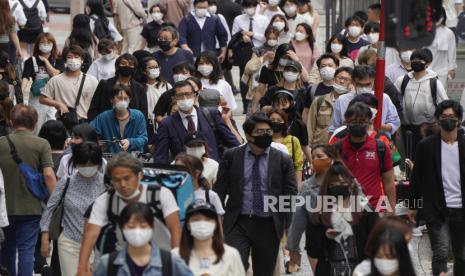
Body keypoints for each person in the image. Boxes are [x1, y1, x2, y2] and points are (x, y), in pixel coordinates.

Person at [214, 112, 297, 276]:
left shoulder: (282, 159)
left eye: (268, 132)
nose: (265, 135)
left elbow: (290, 193)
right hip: (238, 221)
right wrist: (218, 217)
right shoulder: (232, 156)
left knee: (264, 271)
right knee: (235, 267)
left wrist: (289, 225)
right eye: (260, 132)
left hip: (268, 224)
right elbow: (220, 189)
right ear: (248, 135)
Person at [76, 153, 181, 276]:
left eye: (127, 178)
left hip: (161, 261)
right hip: (127, 262)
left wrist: (176, 259)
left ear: (140, 175)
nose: (123, 185)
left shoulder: (160, 194)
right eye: (116, 180)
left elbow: (175, 228)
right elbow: (91, 234)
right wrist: (82, 267)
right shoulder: (105, 200)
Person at [409, 100, 465, 276]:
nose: (448, 120)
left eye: (452, 117)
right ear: (438, 119)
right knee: (440, 253)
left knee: (462, 255)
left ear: (460, 120)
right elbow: (416, 178)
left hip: (461, 209)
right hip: (436, 208)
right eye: (444, 117)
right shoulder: (426, 146)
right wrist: (413, 205)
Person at [0, 104, 56, 276]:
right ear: (34, 122)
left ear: (11, 121)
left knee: (8, 246)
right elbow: (48, 175)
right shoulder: (42, 144)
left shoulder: (1, 143)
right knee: (26, 249)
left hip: (4, 207)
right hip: (31, 206)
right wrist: (55, 199)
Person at [39, 142, 105, 276]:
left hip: (96, 246)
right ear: (76, 163)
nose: (87, 168)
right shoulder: (66, 182)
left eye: (91, 165)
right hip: (69, 243)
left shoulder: (105, 184)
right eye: (83, 165)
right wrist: (45, 236)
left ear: (99, 164)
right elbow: (50, 208)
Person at [309, 161, 375, 275]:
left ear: (350, 185)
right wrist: (324, 235)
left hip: (360, 270)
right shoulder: (320, 212)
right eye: (333, 185)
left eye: (342, 183)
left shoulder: (365, 210)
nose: (337, 187)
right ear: (327, 187)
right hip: (330, 269)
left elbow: (377, 242)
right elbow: (312, 249)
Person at [92, 202, 192, 275]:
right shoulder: (108, 263)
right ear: (122, 228)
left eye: (143, 226)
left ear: (152, 227)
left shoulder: (170, 261)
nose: (137, 230)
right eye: (131, 226)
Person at [154, 80, 239, 164]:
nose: (185, 98)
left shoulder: (211, 114)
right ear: (174, 98)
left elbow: (233, 143)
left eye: (188, 94)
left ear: (195, 96)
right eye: (180, 95)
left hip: (213, 171)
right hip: (184, 172)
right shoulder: (166, 124)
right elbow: (161, 157)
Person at [286, 145, 338, 273]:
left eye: (320, 157)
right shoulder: (306, 187)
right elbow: (298, 219)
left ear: (331, 159)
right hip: (316, 239)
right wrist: (293, 248)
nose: (315, 160)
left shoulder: (346, 181)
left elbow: (363, 208)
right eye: (313, 157)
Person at [337, 102, 396, 213]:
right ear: (346, 122)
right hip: (344, 210)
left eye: (362, 121)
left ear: (370, 122)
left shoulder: (381, 148)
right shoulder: (337, 148)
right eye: (354, 121)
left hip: (375, 209)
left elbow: (389, 182)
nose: (358, 124)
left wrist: (391, 210)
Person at [394, 48, 448, 159]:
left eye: (419, 59)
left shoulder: (435, 83)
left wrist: (438, 124)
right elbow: (393, 98)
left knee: (427, 157)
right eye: (413, 59)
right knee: (409, 156)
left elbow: (445, 105)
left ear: (428, 63)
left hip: (428, 127)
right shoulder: (403, 80)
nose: (415, 61)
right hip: (407, 127)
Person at [173, 200, 245, 275]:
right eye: (196, 220)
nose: (202, 224)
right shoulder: (175, 256)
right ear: (188, 225)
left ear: (216, 224)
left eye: (208, 219)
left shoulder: (231, 254)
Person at [39, 45, 99, 131]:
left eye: (76, 57)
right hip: (64, 123)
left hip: (85, 124)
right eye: (69, 57)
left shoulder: (92, 80)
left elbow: (96, 103)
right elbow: (42, 98)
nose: (73, 60)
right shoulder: (56, 80)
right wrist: (58, 104)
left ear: (82, 60)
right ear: (65, 60)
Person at [330, 65, 401, 137]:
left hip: (378, 142)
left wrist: (373, 125)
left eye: (367, 84)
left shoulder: (384, 98)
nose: (363, 88)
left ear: (373, 82)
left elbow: (395, 124)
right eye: (360, 85)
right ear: (353, 82)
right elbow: (334, 129)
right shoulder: (342, 100)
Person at [21, 32, 63, 134]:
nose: (45, 44)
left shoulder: (58, 60)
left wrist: (46, 61)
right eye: (42, 42)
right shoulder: (30, 61)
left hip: (53, 99)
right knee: (37, 125)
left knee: (52, 125)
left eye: (48, 42)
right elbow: (25, 77)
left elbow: (56, 74)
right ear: (38, 44)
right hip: (37, 99)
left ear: (53, 44)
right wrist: (22, 90)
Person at [87, 53, 148, 121]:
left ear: (134, 68)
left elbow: (143, 112)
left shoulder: (139, 88)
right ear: (117, 66)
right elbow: (94, 108)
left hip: (131, 127)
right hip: (105, 125)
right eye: (123, 63)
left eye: (130, 64)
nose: (127, 66)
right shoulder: (104, 84)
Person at [252, 43, 310, 113]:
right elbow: (260, 90)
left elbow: (306, 78)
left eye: (289, 58)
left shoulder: (293, 70)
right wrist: (254, 108)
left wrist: (297, 60)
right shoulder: (267, 69)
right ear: (278, 56)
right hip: (273, 101)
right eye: (284, 57)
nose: (286, 60)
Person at [90, 84, 148, 154]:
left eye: (126, 98)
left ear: (130, 100)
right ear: (111, 100)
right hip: (112, 159)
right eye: (120, 98)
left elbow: (143, 138)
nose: (123, 101)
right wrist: (98, 143)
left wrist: (130, 142)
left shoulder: (138, 116)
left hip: (133, 159)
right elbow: (89, 132)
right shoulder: (104, 117)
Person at [307, 67, 353, 147]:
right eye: (340, 78)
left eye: (346, 79)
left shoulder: (353, 103)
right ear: (334, 79)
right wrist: (308, 147)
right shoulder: (319, 100)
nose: (342, 81)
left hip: (341, 147)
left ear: (351, 83)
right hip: (319, 148)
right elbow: (310, 126)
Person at [268, 108, 304, 187]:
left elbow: (298, 167)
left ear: (284, 123)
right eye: (272, 120)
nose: (275, 122)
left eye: (279, 120)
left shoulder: (293, 140)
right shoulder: (264, 140)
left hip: (288, 184)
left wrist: (298, 187)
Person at [302, 54, 339, 124]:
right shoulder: (313, 89)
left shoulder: (342, 89)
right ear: (319, 69)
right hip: (319, 131)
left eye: (330, 65)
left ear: (336, 67)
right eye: (323, 66)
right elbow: (306, 112)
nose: (327, 68)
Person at [428, 6, 457, 88]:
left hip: (442, 71)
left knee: (441, 94)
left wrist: (452, 68)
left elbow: (452, 51)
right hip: (426, 71)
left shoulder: (449, 33)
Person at [142, 56, 171, 137]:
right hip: (146, 124)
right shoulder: (140, 88)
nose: (154, 69)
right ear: (144, 71)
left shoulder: (166, 86)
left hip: (163, 122)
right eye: (150, 67)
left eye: (156, 67)